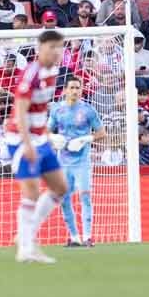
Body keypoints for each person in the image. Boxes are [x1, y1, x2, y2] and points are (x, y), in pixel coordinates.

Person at [9, 29, 68, 264]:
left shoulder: (53, 71)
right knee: (31, 192)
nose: (56, 52)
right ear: (40, 48)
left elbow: (41, 109)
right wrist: (27, 143)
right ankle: (26, 248)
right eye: (51, 47)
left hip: (41, 138)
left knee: (61, 188)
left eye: (59, 47)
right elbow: (20, 112)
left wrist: (45, 135)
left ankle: (26, 235)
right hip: (22, 140)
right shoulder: (30, 74)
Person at [48, 75, 106, 247]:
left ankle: (88, 236)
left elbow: (102, 133)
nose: (75, 91)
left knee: (85, 196)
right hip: (63, 162)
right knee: (64, 199)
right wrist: (53, 137)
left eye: (77, 88)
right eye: (72, 87)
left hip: (82, 162)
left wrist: (86, 139)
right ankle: (74, 237)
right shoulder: (57, 110)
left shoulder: (88, 110)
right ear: (65, 90)